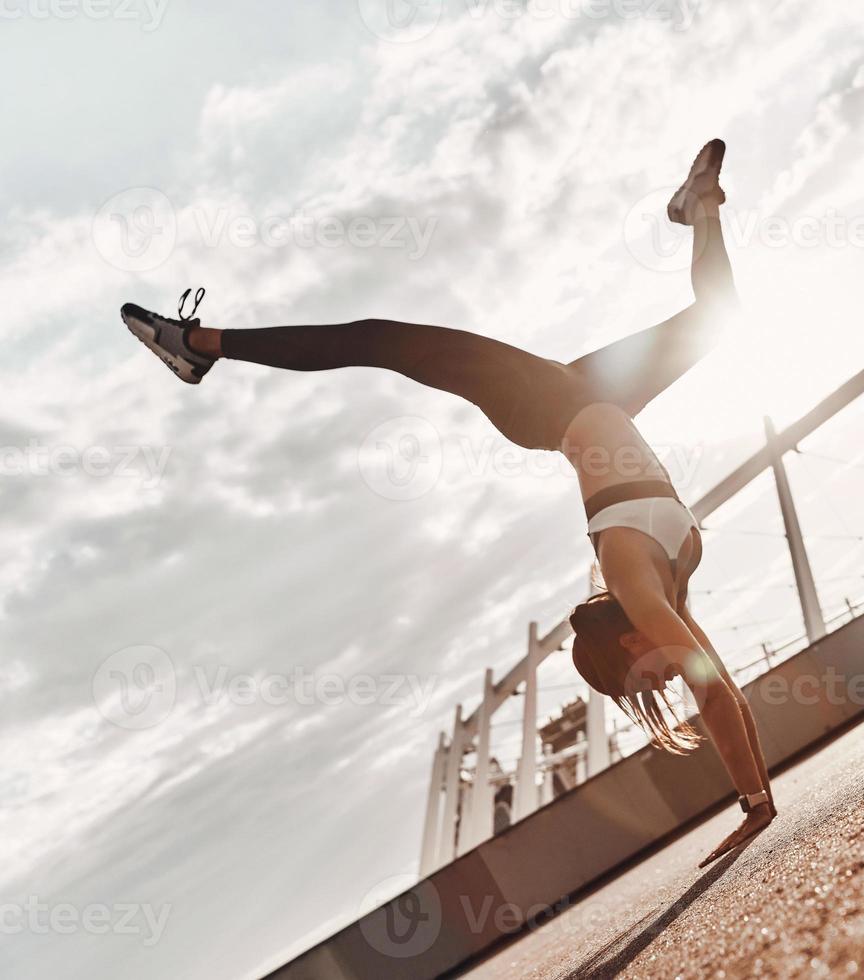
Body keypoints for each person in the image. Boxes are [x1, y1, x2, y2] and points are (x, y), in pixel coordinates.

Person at [121, 140, 776, 866]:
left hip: (549, 408)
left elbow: (712, 694)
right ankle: (698, 206)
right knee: (720, 311)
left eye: (651, 678)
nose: (671, 673)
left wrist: (750, 802)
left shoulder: (631, 574)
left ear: (626, 644)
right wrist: (758, 799)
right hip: (596, 396)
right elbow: (726, 696)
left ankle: (199, 346)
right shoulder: (662, 591)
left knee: (385, 340)